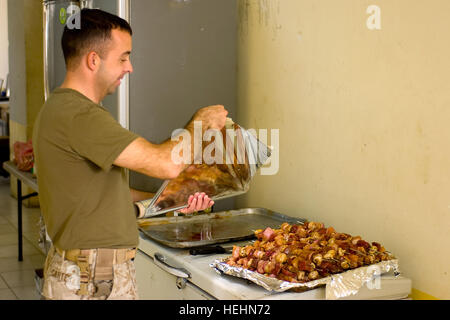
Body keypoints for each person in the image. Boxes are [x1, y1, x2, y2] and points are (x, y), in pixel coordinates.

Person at [32, 8, 228, 300]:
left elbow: (109, 195)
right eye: (123, 57)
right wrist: (201, 122)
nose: (130, 67)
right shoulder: (79, 115)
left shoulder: (64, 110)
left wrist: (173, 201)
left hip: (88, 273)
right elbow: (165, 163)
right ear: (93, 60)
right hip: (92, 280)